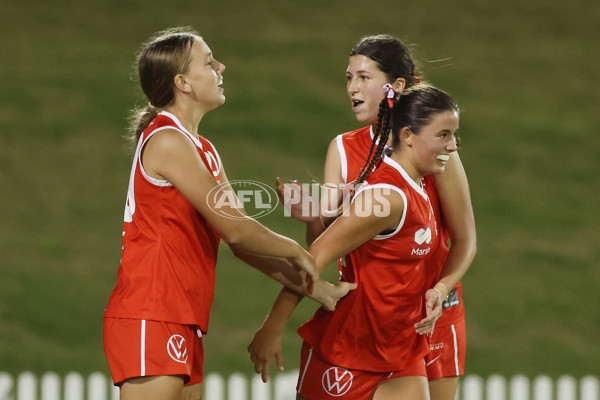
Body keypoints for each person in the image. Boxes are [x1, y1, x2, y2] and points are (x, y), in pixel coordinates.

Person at [102, 27, 354, 400]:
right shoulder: (167, 139)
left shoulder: (203, 149)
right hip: (150, 312)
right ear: (183, 82)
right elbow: (236, 230)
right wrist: (295, 248)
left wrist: (320, 291)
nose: (221, 66)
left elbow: (244, 245)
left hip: (181, 317)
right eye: (208, 61)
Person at [248, 35, 476, 400]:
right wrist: (312, 219)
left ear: (396, 85)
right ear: (408, 136)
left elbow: (464, 238)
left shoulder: (433, 149)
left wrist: (440, 289)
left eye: (364, 77)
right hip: (363, 326)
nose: (353, 88)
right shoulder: (375, 168)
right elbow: (323, 250)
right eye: (349, 77)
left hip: (424, 316)